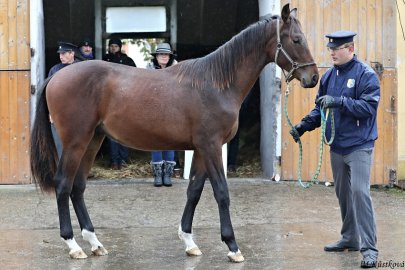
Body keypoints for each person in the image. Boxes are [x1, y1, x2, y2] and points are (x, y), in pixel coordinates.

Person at [289, 31, 379, 268]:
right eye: (330, 49)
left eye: (336, 49)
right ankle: (350, 238)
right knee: (343, 194)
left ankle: (370, 249)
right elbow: (321, 109)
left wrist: (339, 102)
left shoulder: (365, 75)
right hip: (337, 146)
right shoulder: (329, 77)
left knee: (360, 192)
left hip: (359, 145)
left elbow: (368, 108)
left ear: (350, 49)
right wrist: (303, 126)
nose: (331, 52)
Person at [147, 42, 177, 187]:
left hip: (173, 110)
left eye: (166, 54)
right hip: (154, 109)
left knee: (170, 140)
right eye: (161, 54)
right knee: (155, 141)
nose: (164, 57)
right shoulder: (148, 70)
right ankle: (158, 175)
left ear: (170, 56)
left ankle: (168, 174)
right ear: (156, 56)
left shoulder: (178, 70)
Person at [102, 38, 136, 170]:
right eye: (111, 46)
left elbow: (136, 77)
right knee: (112, 133)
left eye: (116, 46)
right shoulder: (105, 60)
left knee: (124, 132)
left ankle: (124, 160)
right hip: (109, 100)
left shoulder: (127, 60)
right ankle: (114, 161)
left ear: (120, 47)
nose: (113, 48)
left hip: (126, 99)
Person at [48, 42, 81, 158]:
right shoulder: (55, 69)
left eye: (63, 53)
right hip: (59, 113)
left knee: (79, 144)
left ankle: (79, 172)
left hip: (78, 113)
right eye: (59, 54)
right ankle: (63, 172)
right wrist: (51, 112)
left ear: (72, 54)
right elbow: (49, 93)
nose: (60, 56)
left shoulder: (83, 69)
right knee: (60, 145)